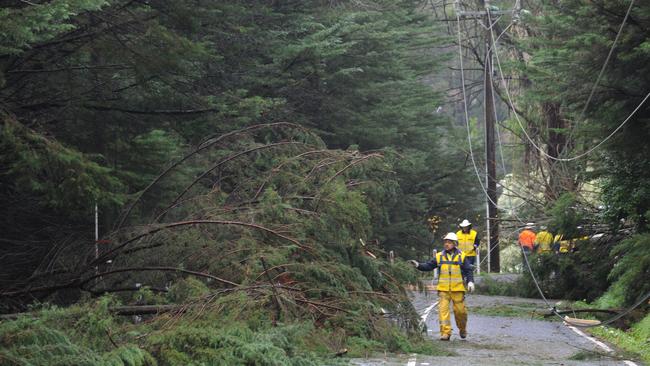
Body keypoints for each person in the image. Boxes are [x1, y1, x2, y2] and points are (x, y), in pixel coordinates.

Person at [409, 232, 474, 341]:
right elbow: (429, 266)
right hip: (443, 290)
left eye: (449, 242)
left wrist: (470, 282)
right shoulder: (439, 256)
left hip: (458, 289)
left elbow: (468, 270)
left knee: (461, 312)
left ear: (455, 244)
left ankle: (462, 329)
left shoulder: (462, 256)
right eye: (445, 242)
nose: (446, 244)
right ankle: (445, 333)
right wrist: (418, 265)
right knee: (443, 311)